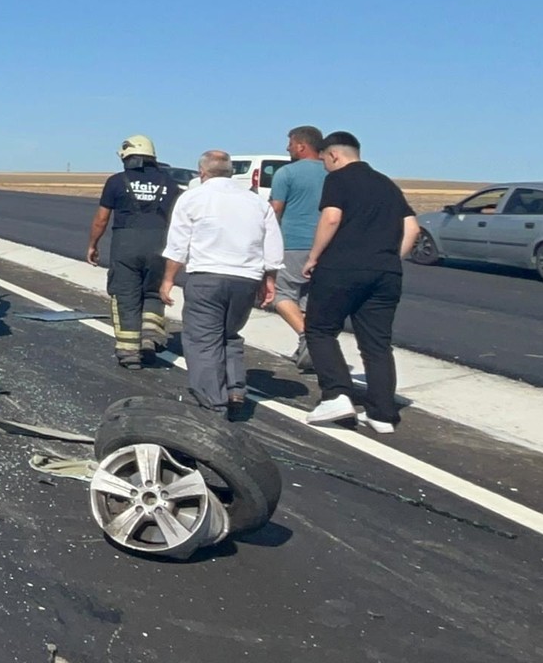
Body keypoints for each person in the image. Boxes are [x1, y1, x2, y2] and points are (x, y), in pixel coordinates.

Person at [302, 131, 420, 434]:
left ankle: (336, 394)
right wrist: (392, 258)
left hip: (341, 268)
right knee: (377, 343)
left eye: (324, 160)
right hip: (386, 271)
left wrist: (313, 256)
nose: (325, 166)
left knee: (320, 329)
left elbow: (331, 218)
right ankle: (382, 414)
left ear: (333, 155)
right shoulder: (386, 184)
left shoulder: (338, 179)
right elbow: (412, 228)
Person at [160, 150, 283, 420]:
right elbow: (272, 243)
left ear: (202, 172)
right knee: (229, 334)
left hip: (207, 278)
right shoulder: (255, 202)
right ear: (230, 172)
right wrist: (269, 279)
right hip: (246, 279)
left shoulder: (192, 198)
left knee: (203, 340)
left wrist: (168, 279)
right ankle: (235, 388)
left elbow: (178, 244)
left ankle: (211, 403)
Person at [87, 134, 182, 369]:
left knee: (126, 295)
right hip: (160, 244)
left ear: (127, 157)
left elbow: (101, 219)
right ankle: (149, 338)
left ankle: (129, 352)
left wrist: (93, 244)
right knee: (152, 293)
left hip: (126, 245)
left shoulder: (116, 182)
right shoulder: (170, 184)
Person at [268, 126, 327, 370]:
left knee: (282, 294)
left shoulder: (287, 173)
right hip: (326, 244)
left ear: (301, 146)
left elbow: (275, 210)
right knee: (308, 299)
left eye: (290, 143)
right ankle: (307, 351)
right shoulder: (332, 172)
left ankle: (309, 339)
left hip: (294, 243)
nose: (287, 148)